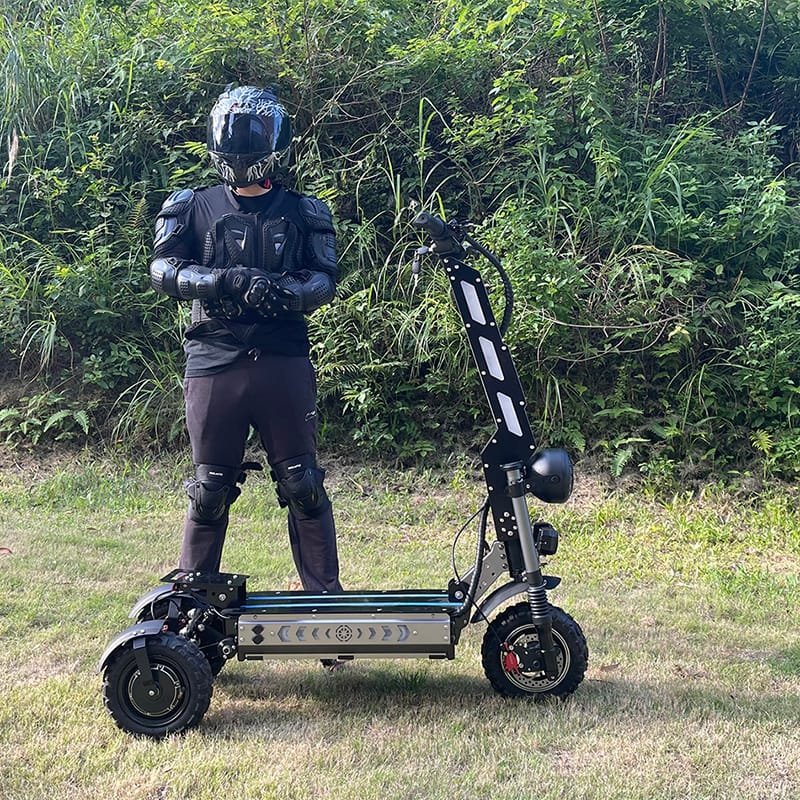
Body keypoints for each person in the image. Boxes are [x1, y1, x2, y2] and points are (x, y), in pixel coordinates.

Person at [149, 85, 342, 599]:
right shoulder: (191, 205)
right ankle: (191, 610)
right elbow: (163, 268)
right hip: (214, 358)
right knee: (210, 488)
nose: (239, 147)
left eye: (249, 135)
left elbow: (325, 276)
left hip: (281, 356)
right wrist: (221, 282)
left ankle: (326, 607)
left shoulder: (305, 211)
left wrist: (287, 292)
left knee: (303, 483)